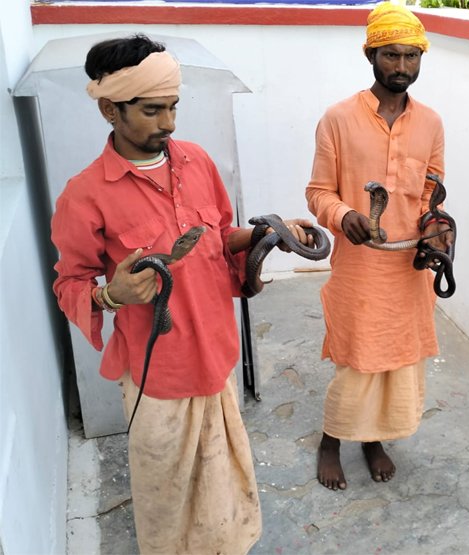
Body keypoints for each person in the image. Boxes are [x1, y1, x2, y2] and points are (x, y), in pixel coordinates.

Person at [51, 34, 313, 553]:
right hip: (158, 372)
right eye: (152, 110)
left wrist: (268, 234)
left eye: (173, 106)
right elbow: (69, 284)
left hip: (215, 352)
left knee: (222, 473)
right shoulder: (84, 196)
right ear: (110, 110)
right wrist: (112, 296)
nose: (168, 123)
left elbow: (218, 236)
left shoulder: (197, 162)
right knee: (166, 486)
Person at [305, 2, 453, 491]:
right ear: (370, 55)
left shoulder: (431, 123)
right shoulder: (338, 119)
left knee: (396, 358)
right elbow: (318, 192)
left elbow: (432, 193)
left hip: (410, 265)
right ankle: (331, 440)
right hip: (358, 265)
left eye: (412, 56)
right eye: (391, 55)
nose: (402, 67)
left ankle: (373, 439)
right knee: (357, 359)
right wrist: (343, 215)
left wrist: (437, 227)